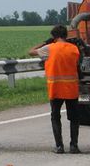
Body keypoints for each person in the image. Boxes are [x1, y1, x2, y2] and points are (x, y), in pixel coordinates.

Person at [29, 25, 81, 154]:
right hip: (71, 88)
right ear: (66, 35)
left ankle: (59, 146)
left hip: (56, 88)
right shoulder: (74, 49)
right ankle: (74, 146)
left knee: (55, 117)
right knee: (74, 118)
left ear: (54, 36)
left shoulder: (49, 48)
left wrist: (45, 43)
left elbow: (31, 51)